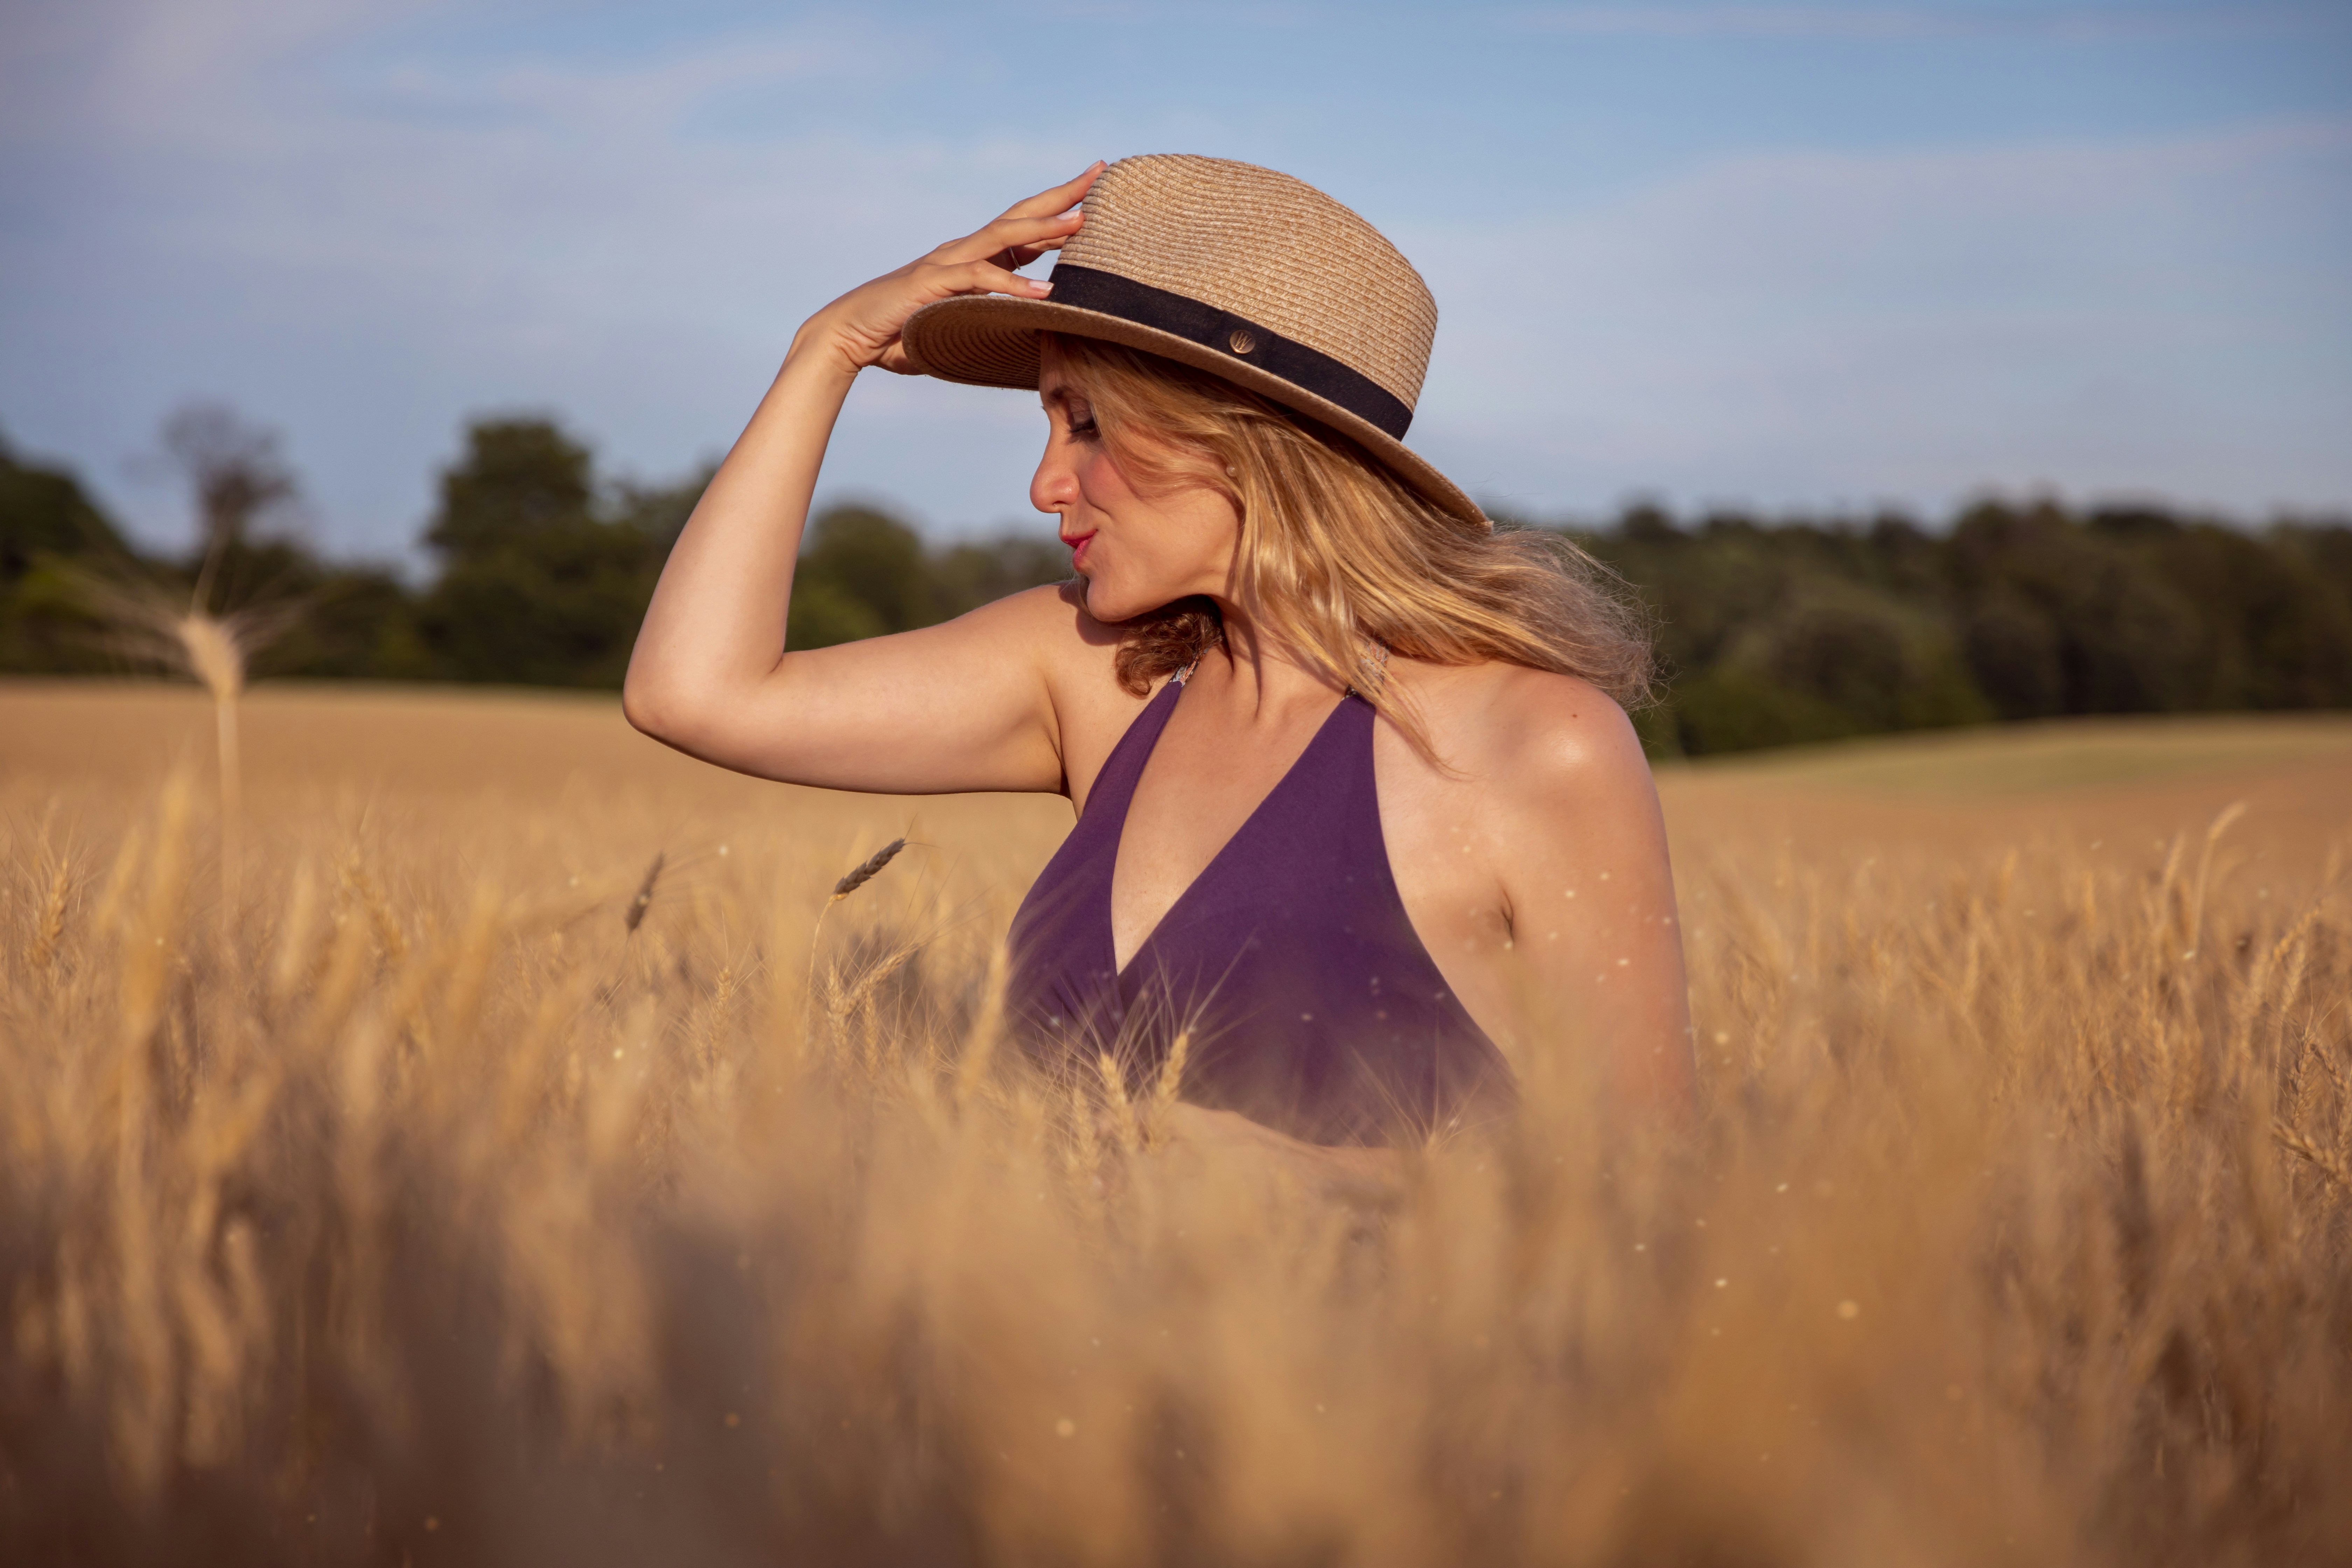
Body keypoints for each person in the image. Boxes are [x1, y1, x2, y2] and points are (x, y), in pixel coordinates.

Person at [624, 155, 1694, 1179]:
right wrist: (829, 348)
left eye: (1085, 422)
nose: (1047, 485)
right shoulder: (1096, 676)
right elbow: (694, 692)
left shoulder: (1533, 743)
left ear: (1239, 437)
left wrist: (1321, 1182)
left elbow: (1647, 1181)